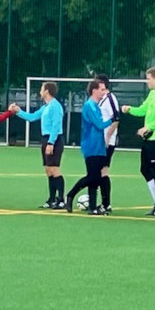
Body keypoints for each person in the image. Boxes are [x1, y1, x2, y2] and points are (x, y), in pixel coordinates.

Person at [122, 66, 155, 216]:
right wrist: (129, 109)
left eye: (148, 78)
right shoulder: (152, 94)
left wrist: (149, 128)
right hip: (148, 138)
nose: (147, 82)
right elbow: (142, 110)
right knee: (144, 169)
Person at [11, 82, 66, 209]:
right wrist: (18, 111)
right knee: (48, 170)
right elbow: (32, 117)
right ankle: (51, 199)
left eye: (42, 89)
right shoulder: (46, 107)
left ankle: (61, 199)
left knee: (54, 168)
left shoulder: (55, 106)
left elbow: (56, 125)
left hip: (54, 139)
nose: (40, 91)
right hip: (45, 138)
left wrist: (51, 142)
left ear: (47, 91)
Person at [65, 80, 110, 214]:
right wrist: (113, 119)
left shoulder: (96, 106)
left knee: (95, 177)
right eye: (102, 89)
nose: (104, 92)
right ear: (94, 90)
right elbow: (99, 125)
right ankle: (71, 194)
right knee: (93, 176)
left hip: (99, 146)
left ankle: (92, 207)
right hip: (91, 145)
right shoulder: (89, 105)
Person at [95, 74, 121, 214]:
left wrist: (108, 137)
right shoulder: (102, 99)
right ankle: (104, 203)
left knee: (103, 170)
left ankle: (106, 204)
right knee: (99, 171)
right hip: (100, 141)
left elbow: (116, 118)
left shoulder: (110, 98)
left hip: (107, 142)